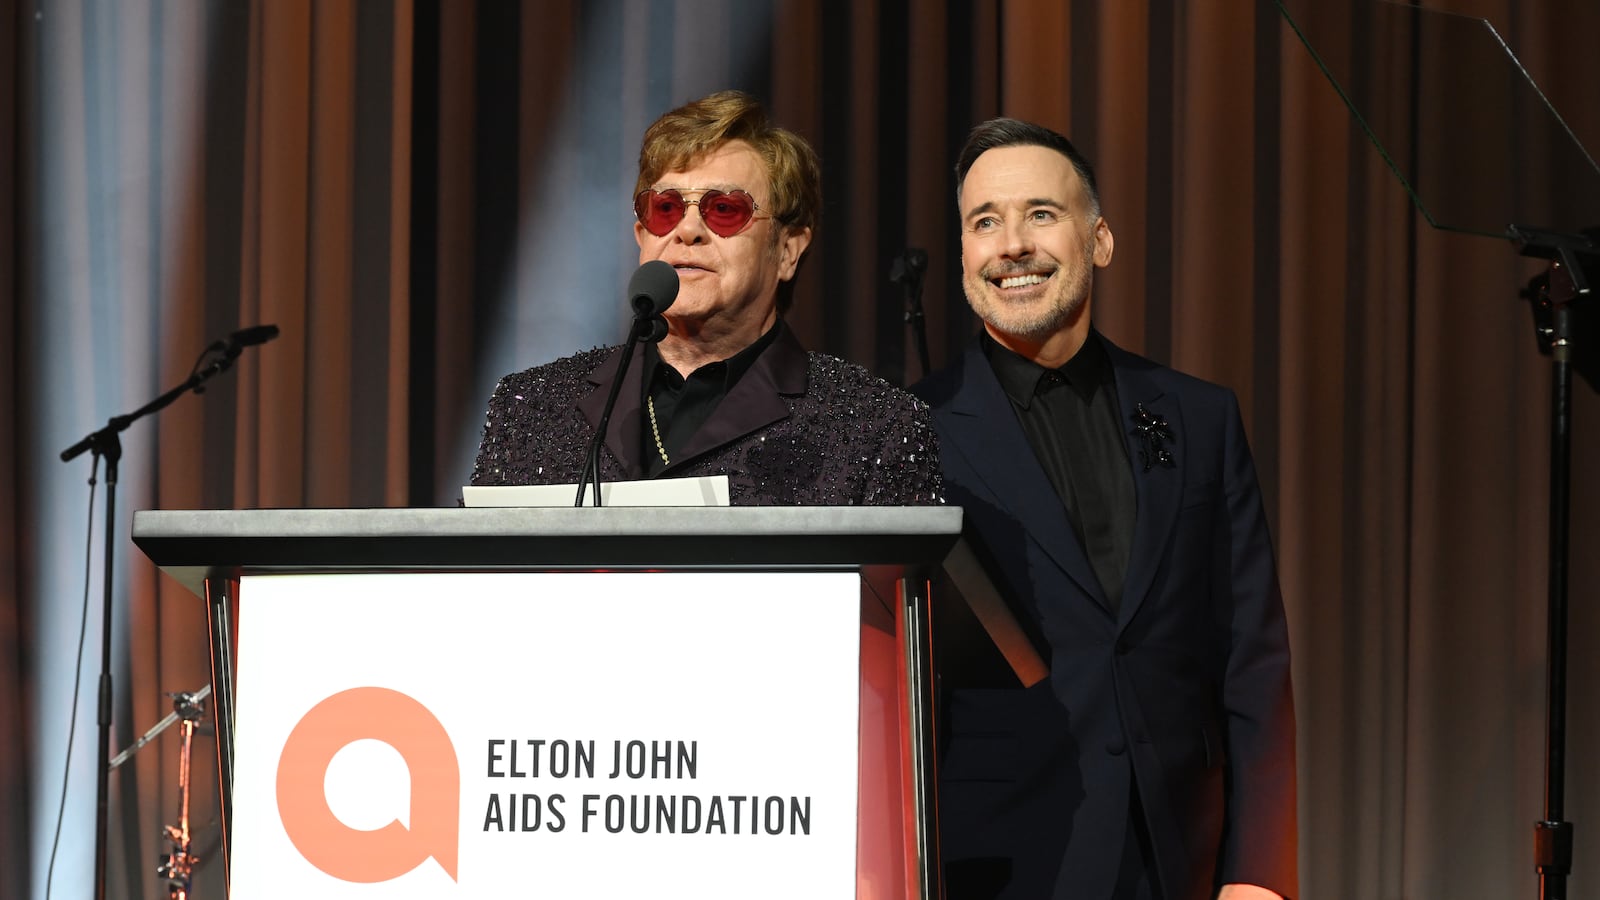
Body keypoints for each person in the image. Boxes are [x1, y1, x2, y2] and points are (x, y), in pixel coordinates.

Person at [914, 118, 1297, 900]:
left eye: (1040, 214)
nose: (1012, 245)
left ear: (1101, 240)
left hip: (1180, 859)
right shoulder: (911, 431)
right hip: (999, 864)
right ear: (963, 254)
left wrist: (1259, 873)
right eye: (984, 222)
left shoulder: (1200, 417)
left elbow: (1252, 658)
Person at [472, 90, 940, 505]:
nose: (688, 230)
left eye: (724, 209)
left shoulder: (874, 428)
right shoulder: (529, 408)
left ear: (787, 250)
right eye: (666, 209)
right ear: (642, 238)